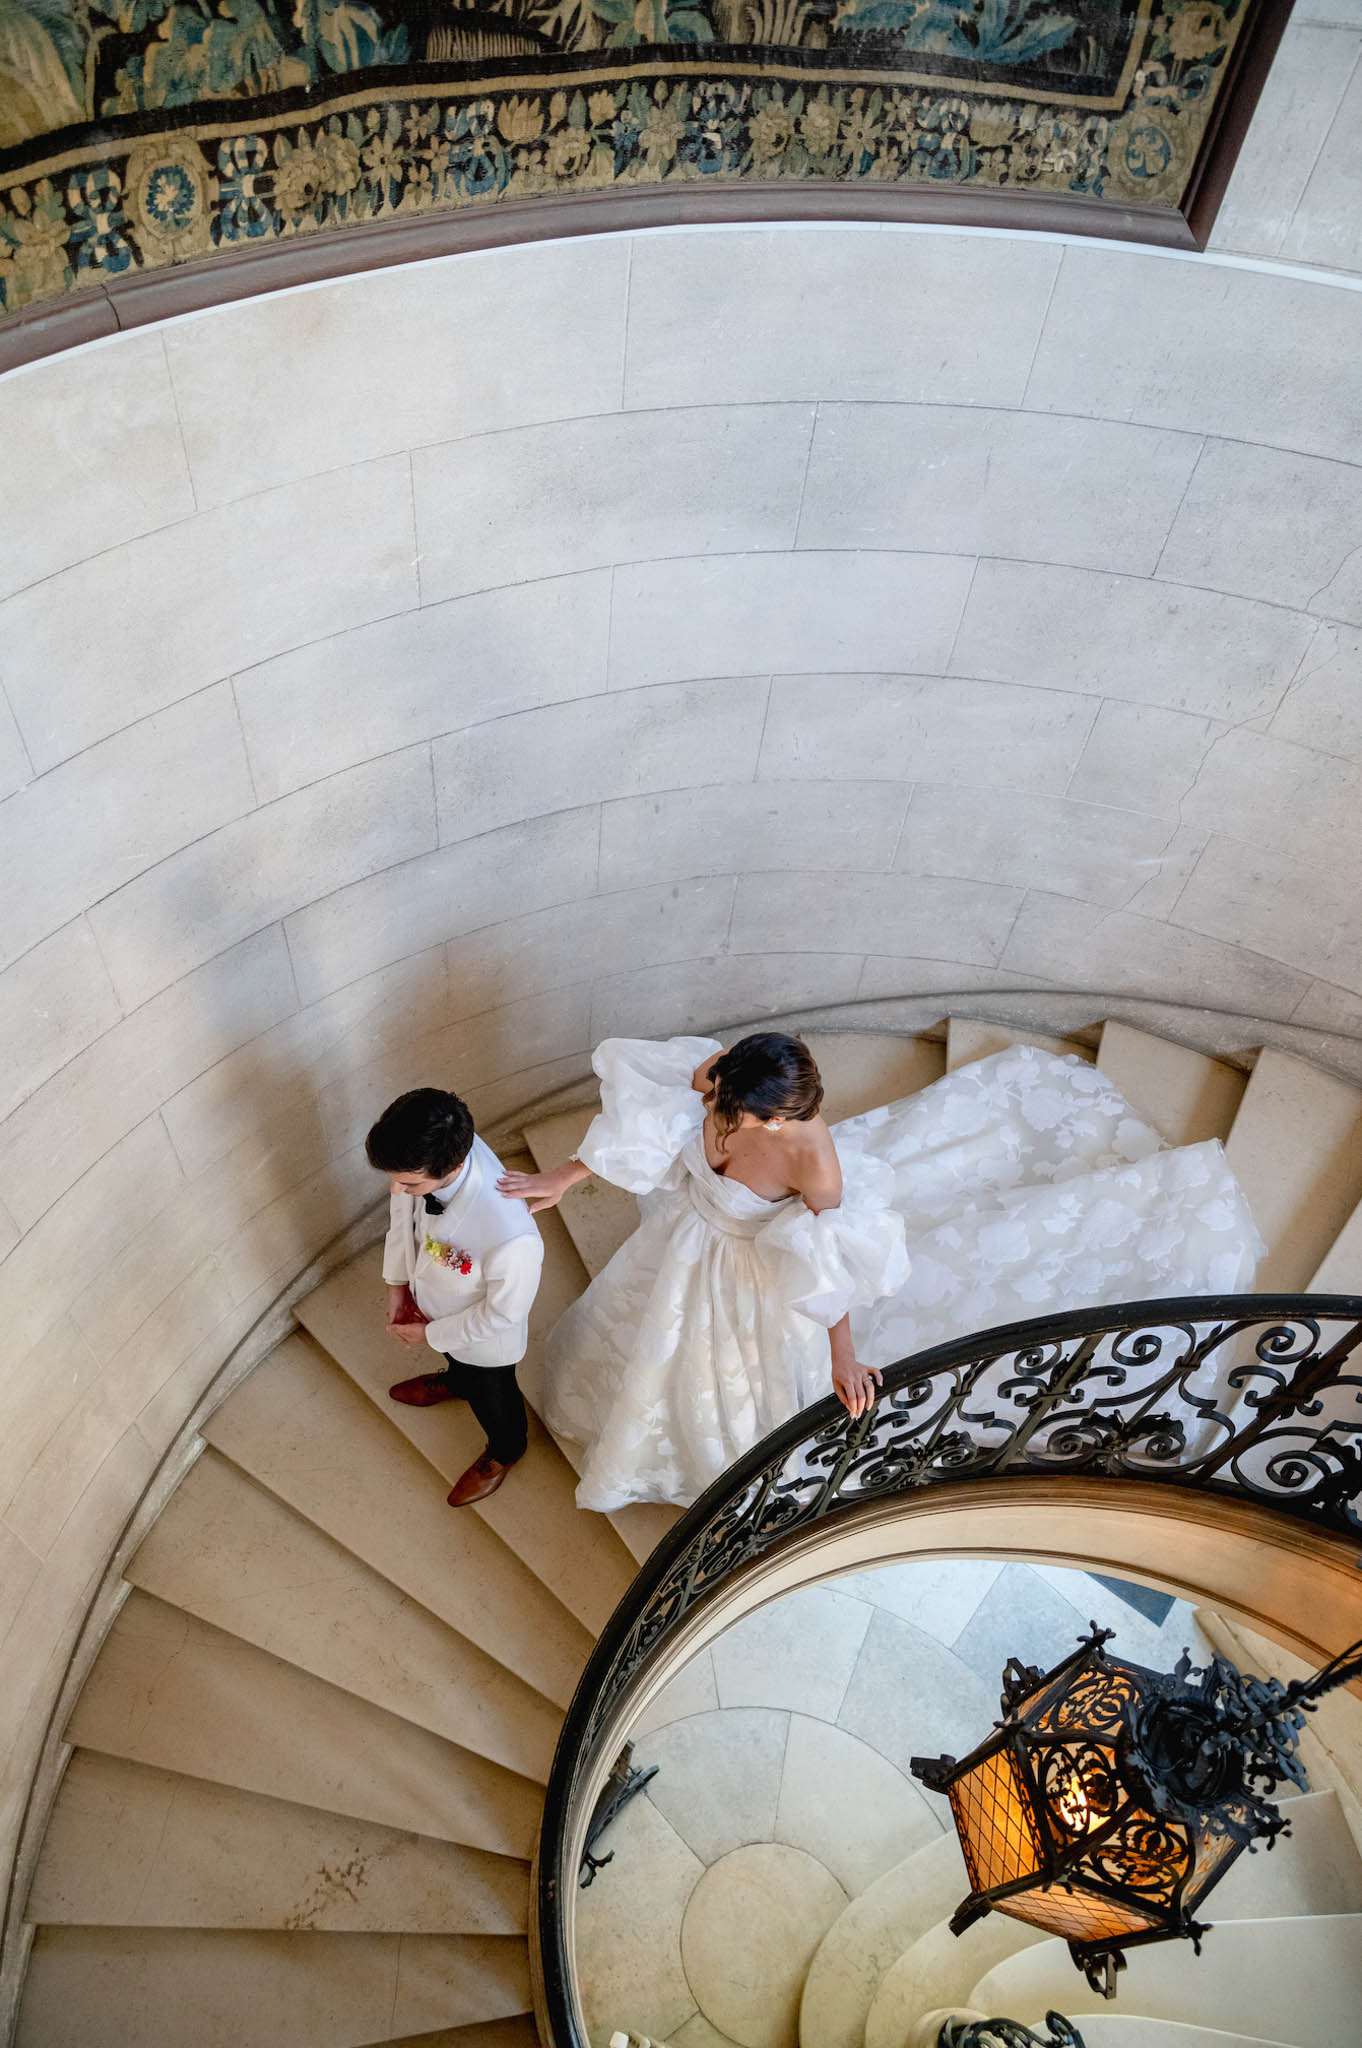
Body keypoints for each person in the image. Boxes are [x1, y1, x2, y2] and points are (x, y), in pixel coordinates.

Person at [498, 1032, 1264, 1513]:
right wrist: (562, 1180)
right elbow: (647, 1136)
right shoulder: (714, 1077)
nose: (763, 1126)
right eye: (757, 1113)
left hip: (747, 1272)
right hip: (687, 1242)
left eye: (776, 1118)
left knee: (710, 1377)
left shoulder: (815, 1165)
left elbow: (824, 1262)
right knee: (630, 1329)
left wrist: (841, 1355)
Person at [367, 1086, 544, 1507]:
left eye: (408, 1182)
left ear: (455, 1163)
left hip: (485, 1342)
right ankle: (456, 1381)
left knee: (494, 1396)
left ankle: (505, 1450)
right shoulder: (441, 1144)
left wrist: (428, 1336)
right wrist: (397, 1283)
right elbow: (403, 1213)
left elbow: (502, 1316)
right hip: (438, 1308)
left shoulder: (511, 1238)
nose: (397, 1188)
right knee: (457, 1363)